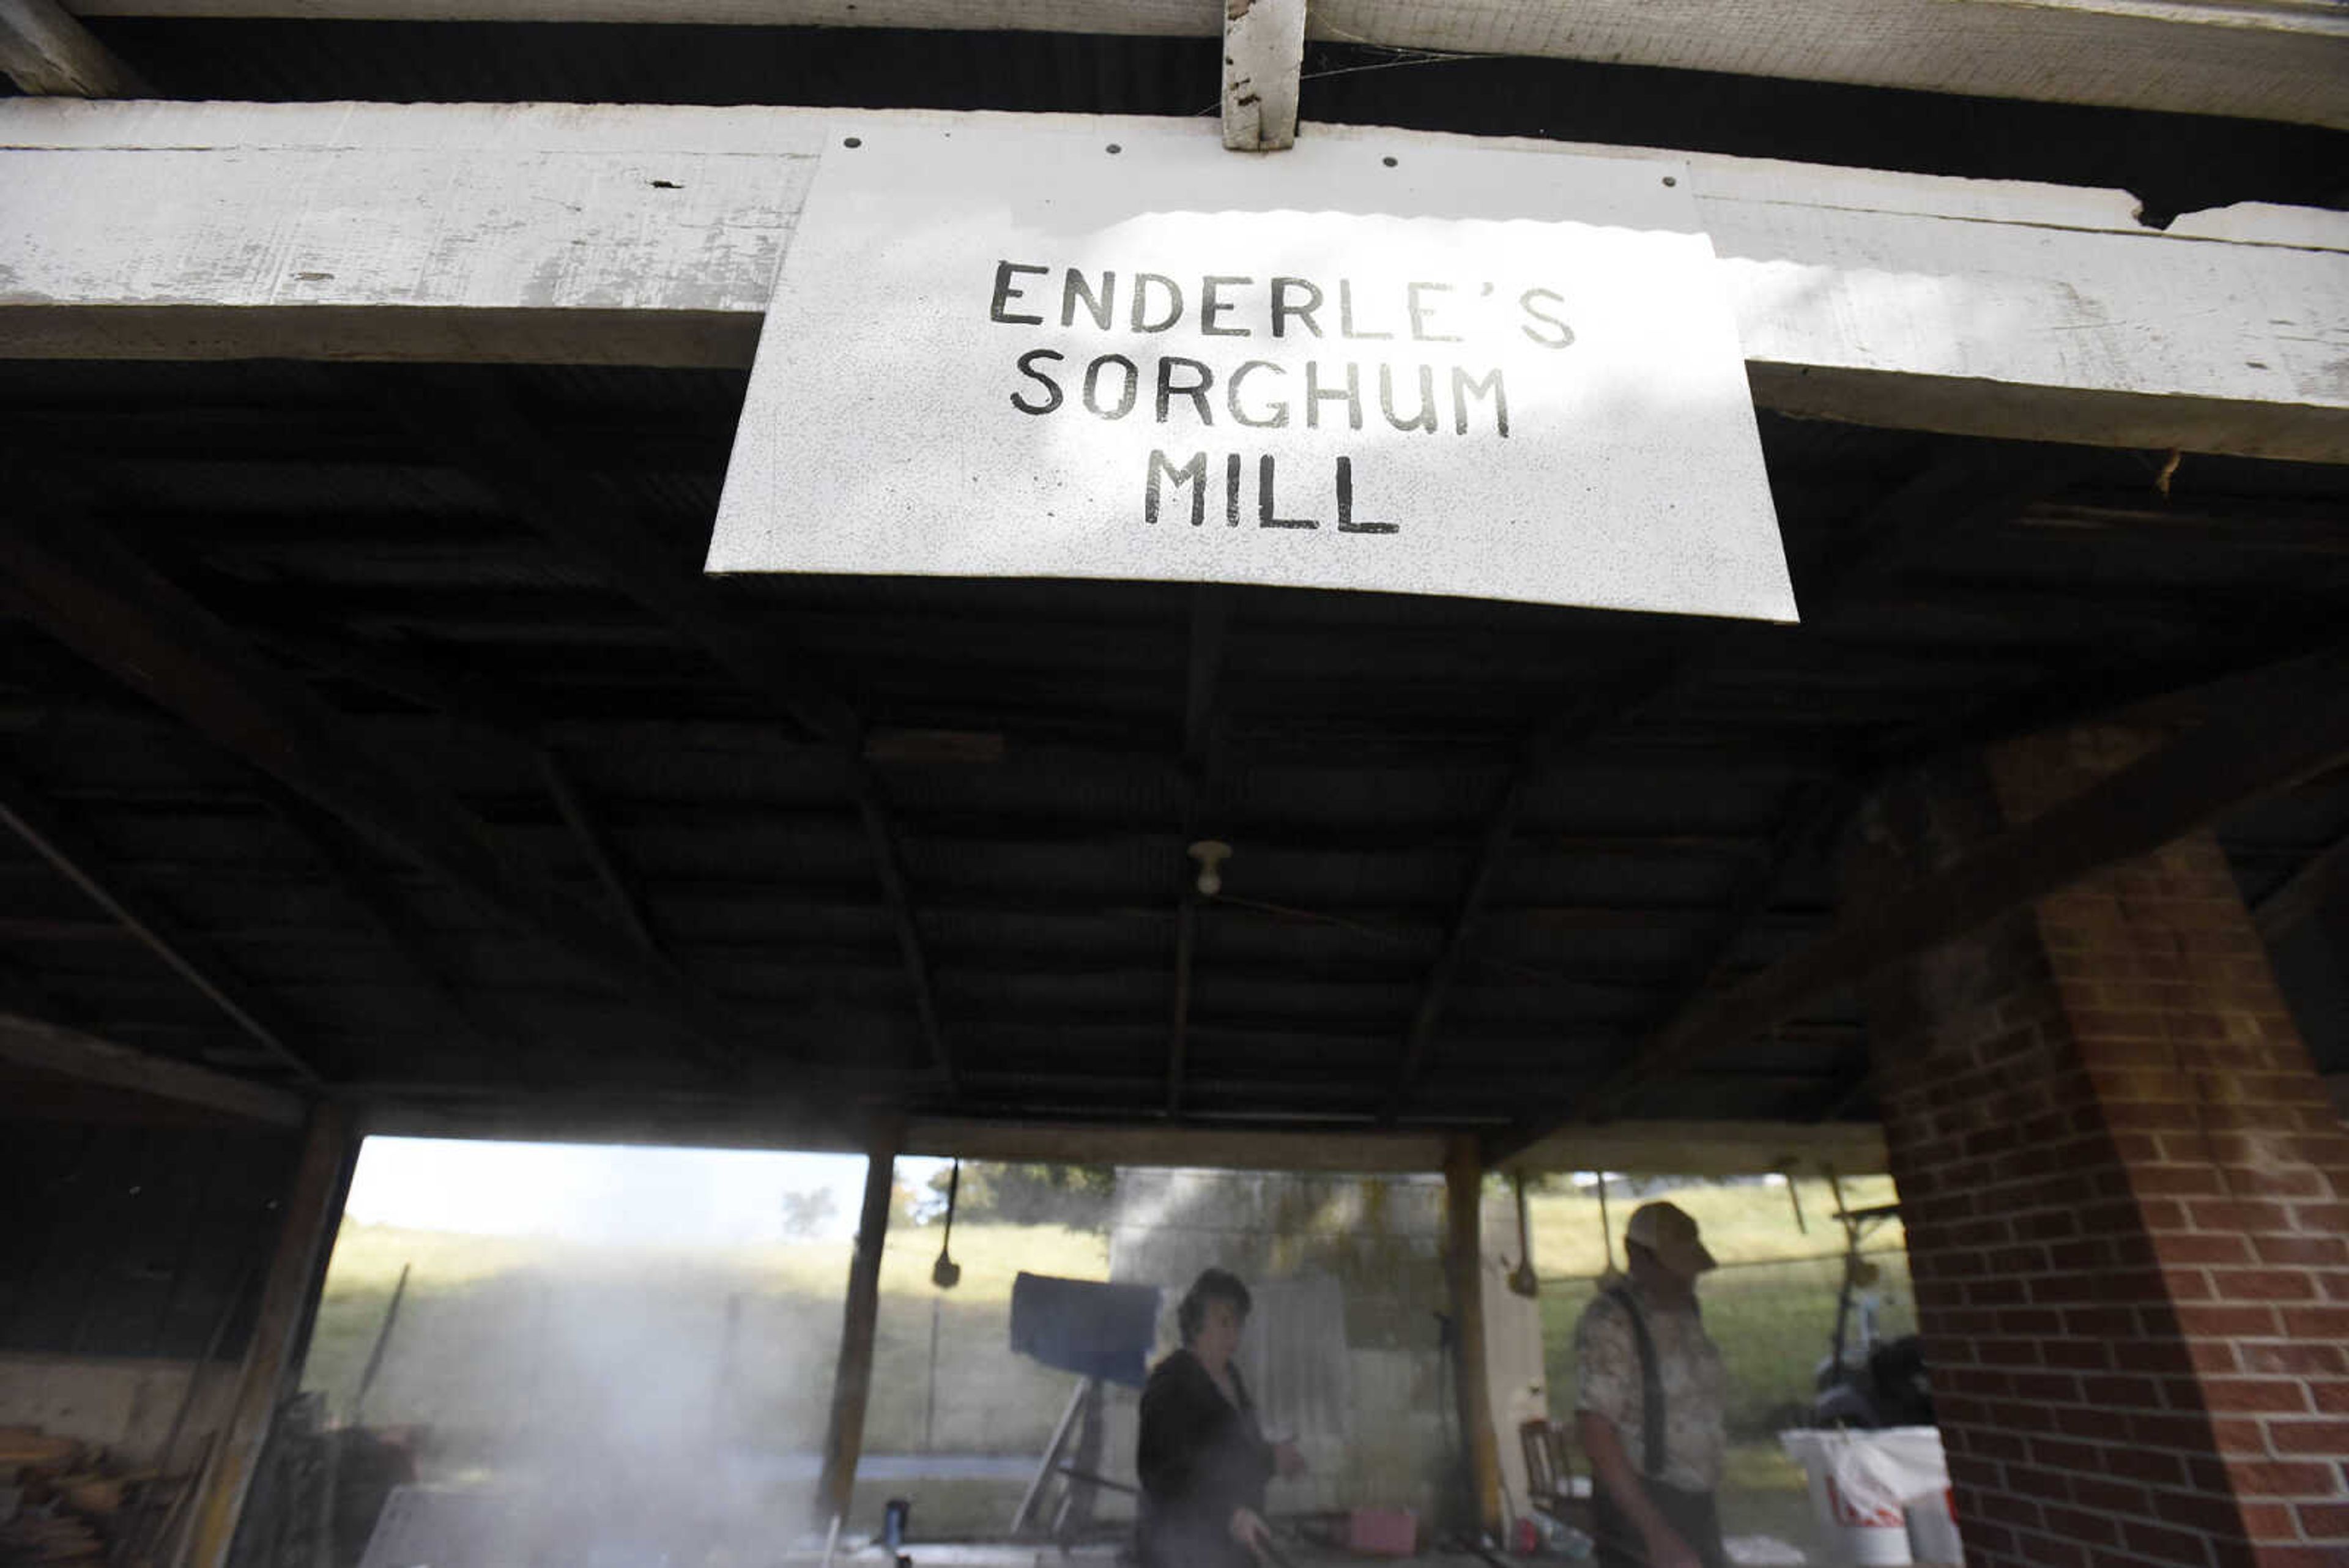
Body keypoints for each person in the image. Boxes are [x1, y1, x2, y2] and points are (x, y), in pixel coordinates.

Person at [1572, 1202, 1730, 1568]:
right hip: (1641, 1511)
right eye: (1674, 1269)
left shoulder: (1688, 1311)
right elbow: (1596, 1431)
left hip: (1695, 1503)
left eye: (1689, 1270)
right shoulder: (1611, 1322)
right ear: (1635, 1255)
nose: (1685, 1279)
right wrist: (1656, 1533)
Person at [1136, 1268, 1307, 1567]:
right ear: (1197, 1322)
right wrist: (1229, 1512)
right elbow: (1162, 1474)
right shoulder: (1171, 1383)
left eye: (1239, 1324)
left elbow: (1235, 1453)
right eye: (1224, 1323)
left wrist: (1274, 1457)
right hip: (1182, 1550)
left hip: (1232, 1546)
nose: (1234, 1335)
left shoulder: (1231, 1376)